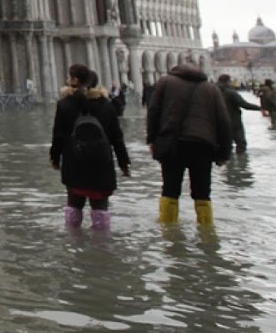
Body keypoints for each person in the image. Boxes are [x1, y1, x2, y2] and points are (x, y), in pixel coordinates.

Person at [145, 60, 232, 226]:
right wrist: (224, 153)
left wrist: (152, 140)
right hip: (203, 144)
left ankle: (169, 233)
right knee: (202, 191)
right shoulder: (210, 88)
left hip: (172, 142)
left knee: (170, 188)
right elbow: (224, 121)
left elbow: (153, 112)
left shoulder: (166, 82)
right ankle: (206, 232)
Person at [49, 64, 129, 230]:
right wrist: (123, 163)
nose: (66, 79)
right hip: (101, 163)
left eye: (69, 77)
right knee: (100, 208)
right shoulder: (106, 105)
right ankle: (101, 247)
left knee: (73, 206)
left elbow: (58, 136)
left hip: (74, 161)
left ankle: (74, 244)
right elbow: (117, 138)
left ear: (75, 80)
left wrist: (55, 159)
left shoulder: (65, 105)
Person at [216, 74, 263, 154]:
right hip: (234, 122)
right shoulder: (230, 93)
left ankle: (229, 164)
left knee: (225, 145)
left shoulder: (213, 91)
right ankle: (242, 164)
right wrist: (259, 108)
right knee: (241, 144)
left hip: (219, 123)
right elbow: (244, 105)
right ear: (227, 81)